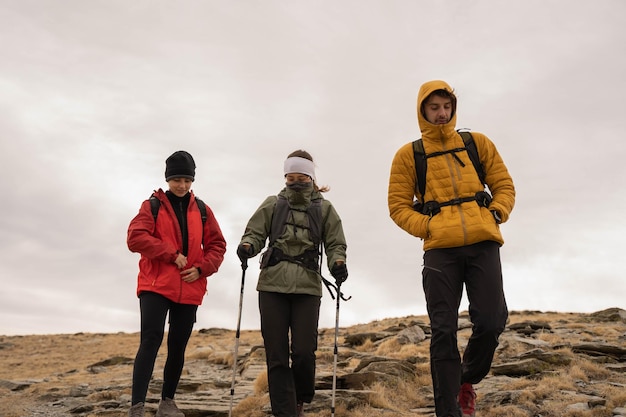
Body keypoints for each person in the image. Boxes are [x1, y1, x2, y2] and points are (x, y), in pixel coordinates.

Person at [387, 80, 515, 417]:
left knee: (490, 320)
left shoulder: (477, 143)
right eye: (434, 108)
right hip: (440, 251)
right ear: (422, 111)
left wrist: (496, 212)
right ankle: (449, 410)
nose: (441, 114)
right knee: (442, 331)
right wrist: (428, 226)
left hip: (483, 242)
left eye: (446, 107)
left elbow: (503, 184)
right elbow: (398, 207)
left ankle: (464, 380)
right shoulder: (408, 155)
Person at [236, 150, 348, 417]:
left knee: (303, 352)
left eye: (302, 177)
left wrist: (338, 263)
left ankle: (300, 397)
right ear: (285, 177)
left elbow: (335, 243)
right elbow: (254, 232)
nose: (296, 182)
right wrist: (248, 246)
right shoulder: (273, 204)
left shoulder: (325, 209)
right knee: (276, 353)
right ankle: (285, 411)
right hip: (272, 285)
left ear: (311, 177)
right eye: (291, 177)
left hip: (307, 287)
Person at [126, 150, 227, 417]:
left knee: (178, 346)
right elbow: (135, 238)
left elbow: (218, 245)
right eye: (177, 180)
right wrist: (171, 255)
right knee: (151, 339)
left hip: (190, 287)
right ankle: (136, 407)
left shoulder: (203, 210)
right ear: (167, 178)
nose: (182, 185)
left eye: (187, 180)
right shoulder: (152, 206)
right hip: (156, 285)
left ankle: (167, 403)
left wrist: (201, 269)